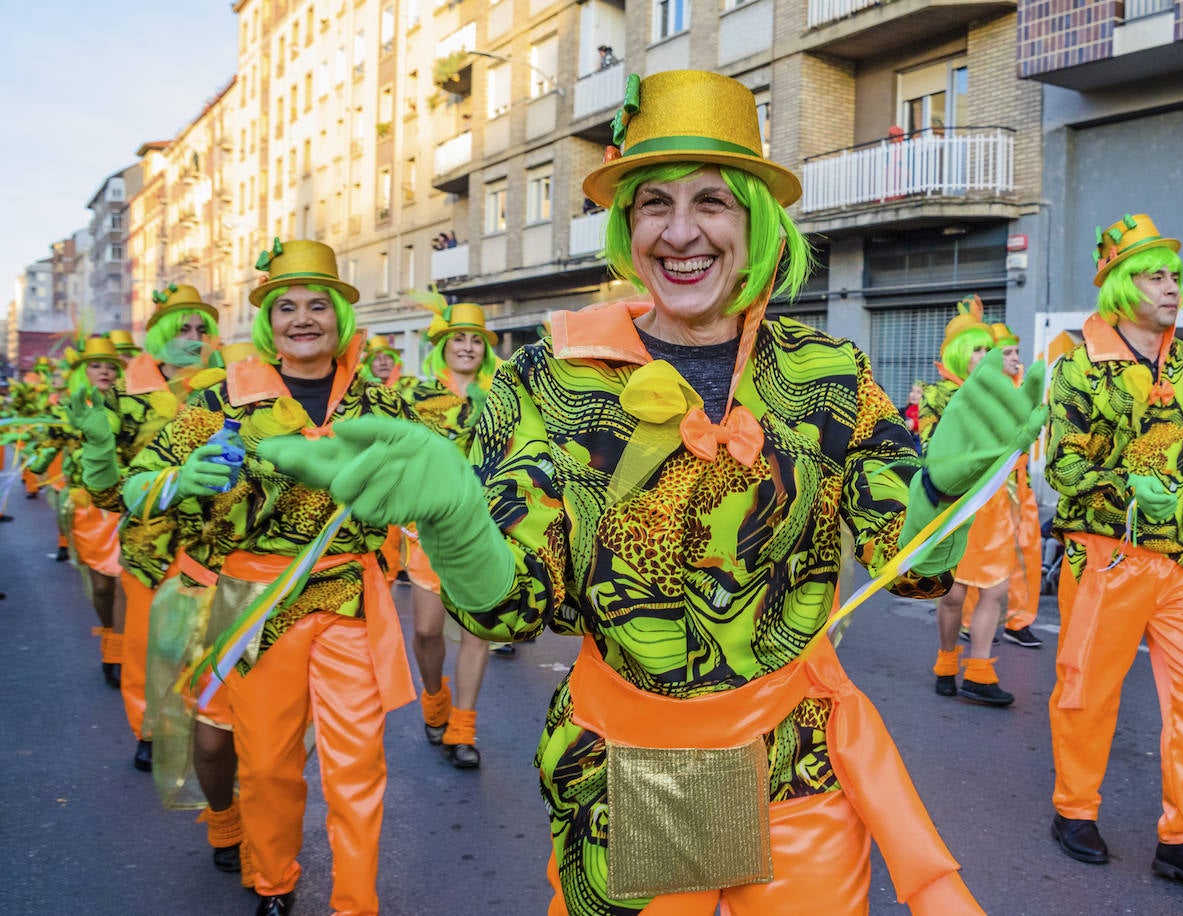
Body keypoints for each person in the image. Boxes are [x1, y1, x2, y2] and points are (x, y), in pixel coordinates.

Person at [263, 70, 1047, 914]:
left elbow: (909, 564)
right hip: (645, 765)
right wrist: (458, 522)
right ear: (625, 227)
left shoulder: (827, 373)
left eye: (711, 201)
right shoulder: (548, 380)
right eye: (652, 204)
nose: (681, 233)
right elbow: (515, 610)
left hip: (799, 759)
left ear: (755, 222)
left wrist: (943, 486)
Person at [127, 239, 424, 915]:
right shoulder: (222, 397)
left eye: (318, 305)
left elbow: (441, 483)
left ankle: (356, 902)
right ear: (268, 323)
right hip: (257, 602)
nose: (302, 318)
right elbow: (133, 482)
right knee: (264, 764)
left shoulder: (385, 403)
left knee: (357, 767)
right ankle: (273, 881)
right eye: (285, 306)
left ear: (339, 319)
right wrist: (179, 481)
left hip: (349, 597)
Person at [1045, 214, 1183, 889]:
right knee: (1088, 692)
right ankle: (1074, 809)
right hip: (1106, 554)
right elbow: (1060, 466)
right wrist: (1122, 484)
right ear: (1118, 284)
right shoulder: (1077, 364)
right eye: (1156, 275)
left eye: (1175, 277)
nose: (1172, 288)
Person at [94, 283, 221, 773]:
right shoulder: (123, 396)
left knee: (199, 642)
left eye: (201, 329)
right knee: (150, 644)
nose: (193, 337)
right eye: (183, 328)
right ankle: (148, 729)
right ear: (161, 335)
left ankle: (198, 725)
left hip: (212, 540)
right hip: (151, 541)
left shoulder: (223, 389)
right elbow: (107, 485)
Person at [403, 303, 502, 769]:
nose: (467, 346)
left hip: (484, 529)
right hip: (430, 528)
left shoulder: (502, 395)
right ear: (444, 345)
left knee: (475, 632)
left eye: (476, 339)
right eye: (459, 338)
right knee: (426, 632)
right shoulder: (417, 395)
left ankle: (462, 728)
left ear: (484, 349)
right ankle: (434, 698)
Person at [922, 296, 1021, 706]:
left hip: (993, 505)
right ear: (962, 354)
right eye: (978, 349)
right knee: (953, 595)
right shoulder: (938, 396)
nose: (986, 355)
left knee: (995, 590)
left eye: (988, 348)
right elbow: (930, 449)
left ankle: (979, 671)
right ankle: (947, 660)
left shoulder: (1003, 396)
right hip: (954, 506)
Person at [961, 322, 1044, 649]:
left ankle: (1018, 621)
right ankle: (970, 622)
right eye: (1006, 353)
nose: (1015, 359)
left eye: (1017, 353)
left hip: (1019, 486)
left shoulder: (1021, 387)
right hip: (986, 488)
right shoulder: (977, 391)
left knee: (1026, 552)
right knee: (979, 557)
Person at [52, 338, 128, 688]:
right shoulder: (67, 409)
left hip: (123, 506)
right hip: (87, 509)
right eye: (97, 366)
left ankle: (117, 653)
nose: (106, 371)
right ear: (84, 371)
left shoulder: (130, 407)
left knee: (121, 583)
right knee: (101, 586)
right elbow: (58, 446)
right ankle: (110, 632)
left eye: (111, 366)